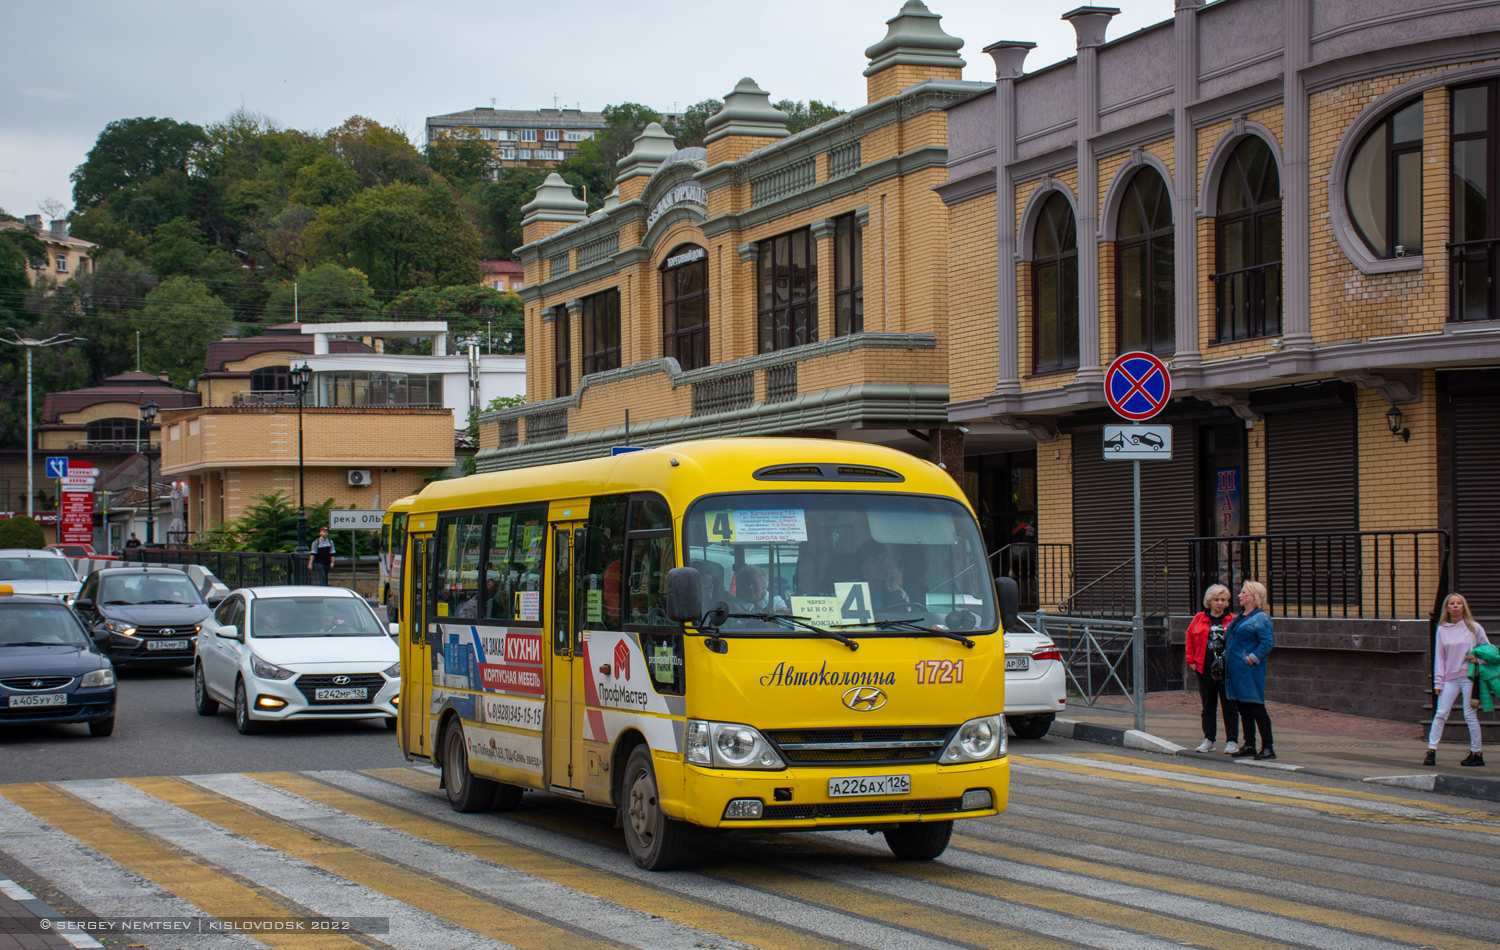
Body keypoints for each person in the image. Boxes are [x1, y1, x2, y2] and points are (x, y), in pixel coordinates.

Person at [1423, 592, 1490, 767]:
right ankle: (1431, 751)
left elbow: (1488, 650)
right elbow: (1439, 657)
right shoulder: (1442, 629)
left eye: (1458, 603)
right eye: (1451, 603)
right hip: (1449, 679)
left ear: (1463, 607)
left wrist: (1479, 659)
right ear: (1447, 608)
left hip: (1468, 677)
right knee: (1441, 714)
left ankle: (1477, 753)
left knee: (1470, 715)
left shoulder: (1474, 628)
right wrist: (1438, 681)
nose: (1455, 606)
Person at [1184, 583, 1240, 754]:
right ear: (1209, 601)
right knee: (1208, 705)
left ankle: (1232, 741)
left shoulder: (1233, 619)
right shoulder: (1199, 618)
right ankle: (1209, 739)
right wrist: (1192, 661)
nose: (1220, 603)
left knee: (1229, 705)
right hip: (1205, 668)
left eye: (1223, 599)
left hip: (1227, 669)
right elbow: (1189, 639)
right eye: (1216, 599)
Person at [1224, 580, 1276, 760]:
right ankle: (1250, 744)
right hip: (1236, 671)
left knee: (1256, 706)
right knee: (1243, 708)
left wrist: (1251, 659)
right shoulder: (1241, 617)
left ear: (1253, 597)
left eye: (1243, 592)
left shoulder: (1261, 618)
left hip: (1249, 671)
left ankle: (1268, 746)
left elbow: (1267, 642)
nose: (1239, 595)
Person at [857, 540, 909, 608]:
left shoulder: (897, 592)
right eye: (875, 560)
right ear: (863, 568)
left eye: (884, 559)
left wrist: (895, 588)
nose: (882, 564)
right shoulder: (853, 592)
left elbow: (903, 616)